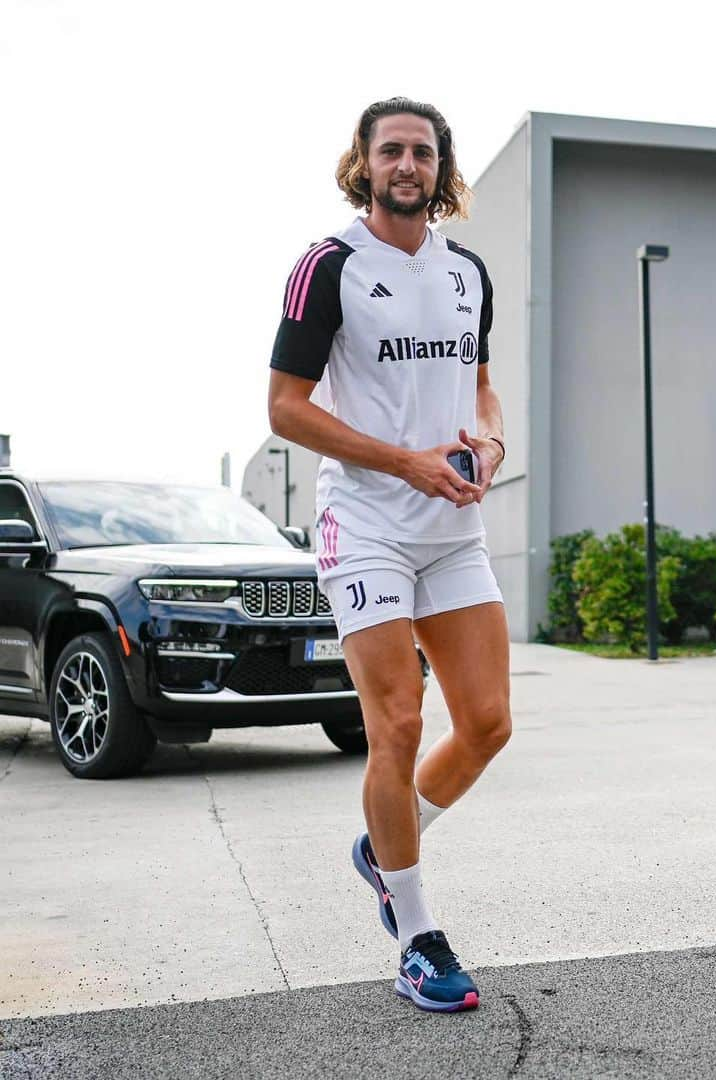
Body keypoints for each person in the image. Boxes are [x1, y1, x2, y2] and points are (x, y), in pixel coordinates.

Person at [266, 97, 510, 1012]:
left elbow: (483, 390)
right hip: (365, 523)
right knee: (397, 724)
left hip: (453, 529)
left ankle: (385, 845)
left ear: (443, 169)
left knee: (487, 724)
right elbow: (286, 409)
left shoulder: (467, 273)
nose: (407, 164)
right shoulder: (327, 267)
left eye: (423, 151)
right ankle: (415, 934)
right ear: (363, 164)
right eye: (391, 150)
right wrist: (403, 462)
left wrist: (488, 445)